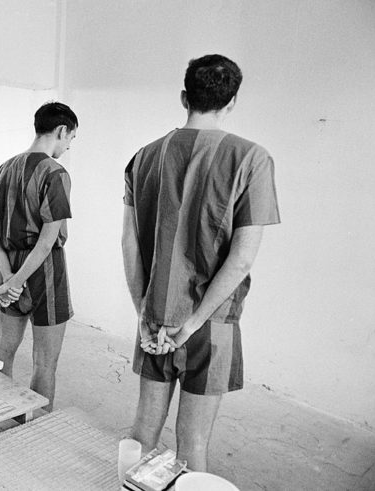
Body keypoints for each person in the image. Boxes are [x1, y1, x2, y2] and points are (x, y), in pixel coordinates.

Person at [122, 54, 280, 471]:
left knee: (142, 434)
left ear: (183, 97)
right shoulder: (252, 159)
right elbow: (242, 258)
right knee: (192, 445)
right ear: (231, 103)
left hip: (155, 315)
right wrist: (191, 324)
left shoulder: (144, 157)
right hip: (212, 324)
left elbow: (129, 244)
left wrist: (142, 312)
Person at [0, 101, 78, 412]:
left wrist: (8, 277)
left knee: (4, 350)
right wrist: (21, 279)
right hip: (45, 272)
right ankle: (39, 429)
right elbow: (51, 237)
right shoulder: (55, 172)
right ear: (62, 130)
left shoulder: (4, 169)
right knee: (44, 363)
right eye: (70, 139)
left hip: (8, 267)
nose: (67, 146)